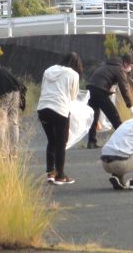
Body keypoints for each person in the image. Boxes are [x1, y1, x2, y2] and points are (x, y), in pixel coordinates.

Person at [37, 52, 83, 185]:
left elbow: (42, 89)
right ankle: (60, 175)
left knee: (51, 141)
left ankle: (50, 173)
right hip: (59, 110)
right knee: (61, 142)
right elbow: (73, 96)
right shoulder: (73, 74)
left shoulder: (48, 70)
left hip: (43, 108)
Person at [86, 54, 133, 149]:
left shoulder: (108, 64)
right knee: (114, 116)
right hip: (100, 90)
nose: (130, 68)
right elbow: (124, 88)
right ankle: (126, 142)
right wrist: (130, 105)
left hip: (91, 88)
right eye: (130, 65)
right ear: (125, 63)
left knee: (94, 117)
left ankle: (91, 142)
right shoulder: (120, 68)